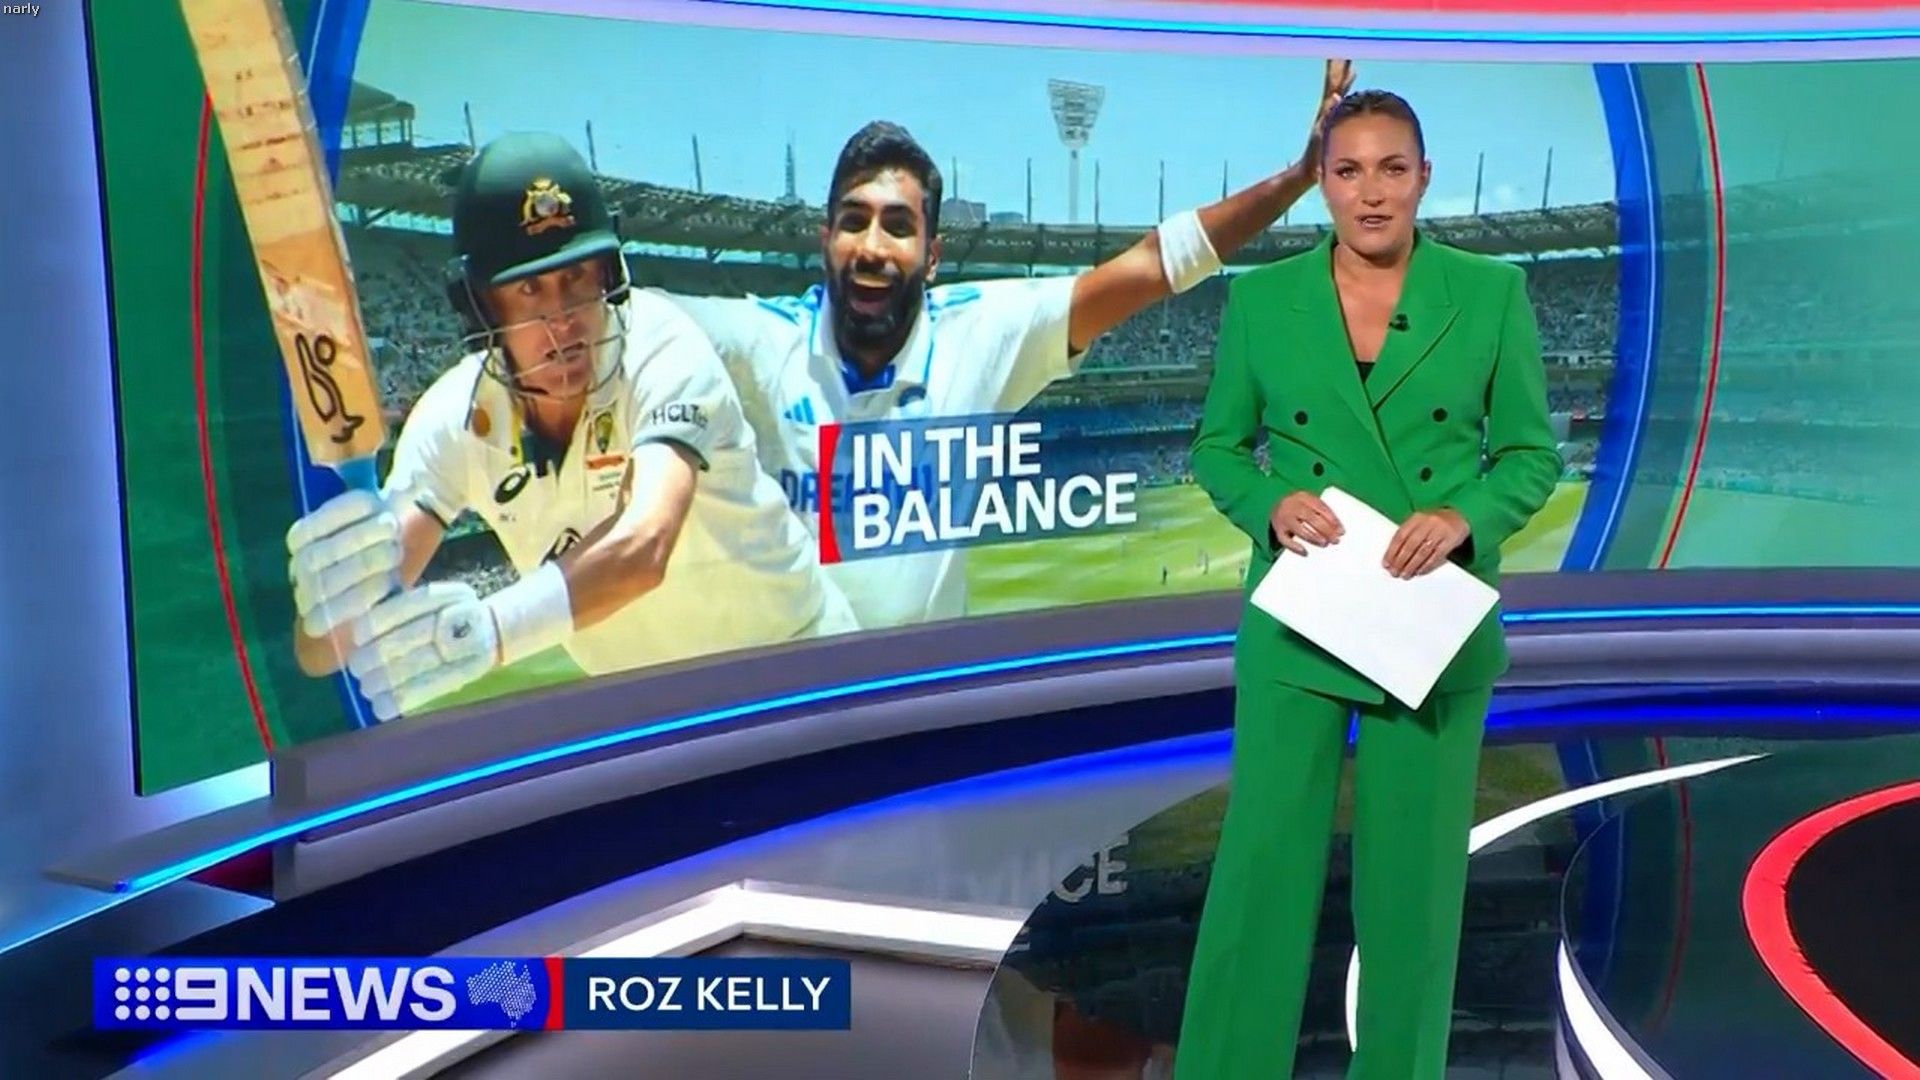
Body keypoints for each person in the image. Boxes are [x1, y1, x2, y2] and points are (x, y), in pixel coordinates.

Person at [660, 60, 1355, 630]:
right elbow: (626, 314)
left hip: (920, 707)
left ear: (932, 255)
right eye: (853, 221)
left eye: (897, 226)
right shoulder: (756, 342)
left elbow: (1157, 263)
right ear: (826, 239)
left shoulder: (980, 332)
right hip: (781, 713)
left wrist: (1299, 177)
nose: (871, 246)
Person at [1173, 90, 1560, 1078]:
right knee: (1260, 875)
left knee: (1414, 901)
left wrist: (1464, 516)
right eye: (1349, 171)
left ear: (1424, 178)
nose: (1372, 192)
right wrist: (1269, 502)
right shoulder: (1261, 300)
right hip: (1302, 619)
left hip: (1427, 627)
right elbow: (1218, 448)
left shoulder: (1492, 293)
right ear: (1322, 184)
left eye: (1392, 169)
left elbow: (1529, 456)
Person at [285, 132, 854, 720]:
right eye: (529, 289)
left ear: (609, 276)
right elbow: (326, 651)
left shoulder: (663, 346)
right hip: (656, 716)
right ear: (481, 305)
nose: (562, 320)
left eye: (577, 277)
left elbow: (644, 544)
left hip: (799, 667)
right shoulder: (454, 418)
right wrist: (331, 596)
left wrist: (491, 631)